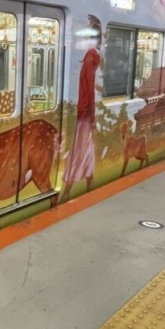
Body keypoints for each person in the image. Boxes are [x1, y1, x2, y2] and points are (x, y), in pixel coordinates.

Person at [62, 15, 102, 201]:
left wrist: (91, 116)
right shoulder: (92, 56)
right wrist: (91, 116)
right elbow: (90, 89)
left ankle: (72, 188)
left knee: (82, 148)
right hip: (86, 113)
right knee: (84, 148)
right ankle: (83, 185)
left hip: (84, 113)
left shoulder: (90, 56)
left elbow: (89, 89)